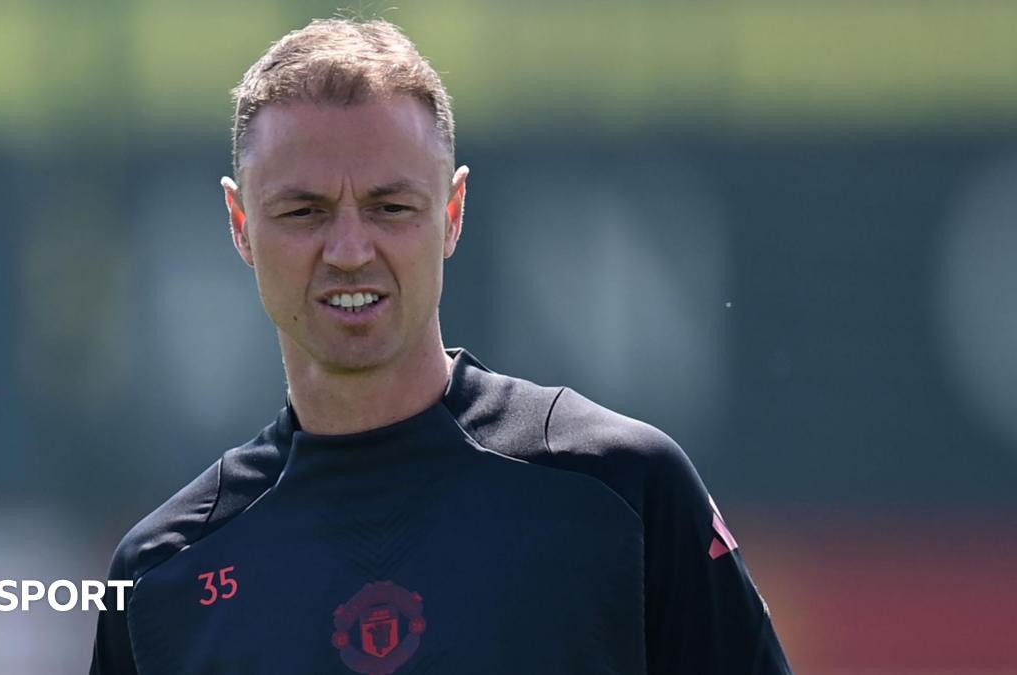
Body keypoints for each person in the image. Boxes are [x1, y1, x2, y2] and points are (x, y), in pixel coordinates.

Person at [90, 17, 792, 675]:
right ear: (241, 223)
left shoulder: (623, 489)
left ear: (452, 213)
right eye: (304, 211)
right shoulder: (161, 577)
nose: (350, 250)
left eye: (390, 207)